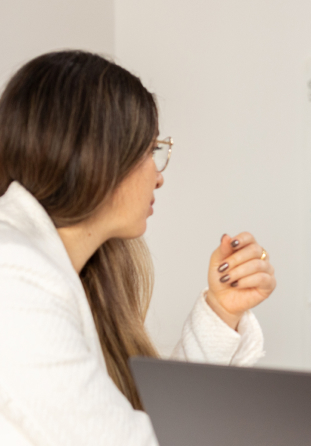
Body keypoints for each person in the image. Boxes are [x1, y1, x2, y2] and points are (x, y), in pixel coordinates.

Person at [0, 51, 276, 445]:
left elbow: (150, 419)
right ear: (99, 155)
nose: (159, 177)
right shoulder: (12, 275)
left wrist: (221, 310)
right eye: (150, 150)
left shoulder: (55, 269)